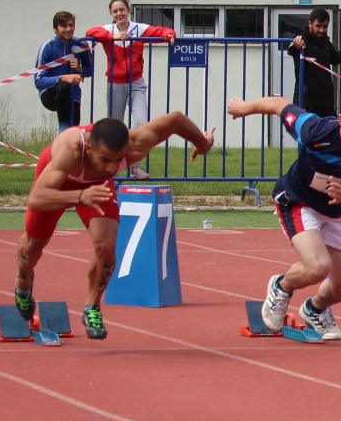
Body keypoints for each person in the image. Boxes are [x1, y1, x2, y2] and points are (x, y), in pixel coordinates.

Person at [13, 113, 214, 340]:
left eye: (118, 160)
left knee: (106, 246)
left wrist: (203, 144)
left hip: (96, 186)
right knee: (34, 245)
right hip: (56, 184)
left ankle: (92, 307)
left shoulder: (136, 144)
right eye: (105, 159)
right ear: (88, 149)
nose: (112, 167)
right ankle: (23, 284)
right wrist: (80, 195)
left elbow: (176, 120)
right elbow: (36, 198)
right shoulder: (71, 150)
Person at [229, 84, 341, 341]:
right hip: (298, 199)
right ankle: (281, 287)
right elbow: (278, 104)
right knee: (317, 266)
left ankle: (314, 310)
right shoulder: (314, 129)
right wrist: (243, 108)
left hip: (338, 209)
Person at [85, 0, 176, 149]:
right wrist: (112, 37)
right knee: (115, 125)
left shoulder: (138, 28)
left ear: (129, 10)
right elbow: (90, 31)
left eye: (122, 9)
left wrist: (169, 35)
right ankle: (116, 166)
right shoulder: (108, 30)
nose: (119, 13)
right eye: (115, 11)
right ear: (111, 13)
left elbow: (163, 31)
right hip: (115, 83)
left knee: (142, 122)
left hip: (136, 82)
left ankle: (136, 164)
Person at [287, 9, 341, 117]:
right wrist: (297, 44)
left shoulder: (325, 42)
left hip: (326, 103)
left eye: (325, 26)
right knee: (310, 133)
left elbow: (336, 59)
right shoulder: (301, 38)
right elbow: (292, 49)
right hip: (307, 103)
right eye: (318, 26)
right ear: (310, 24)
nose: (322, 30)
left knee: (333, 132)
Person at [35, 11, 93, 131]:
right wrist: (63, 77)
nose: (68, 29)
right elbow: (39, 81)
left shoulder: (81, 44)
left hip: (73, 94)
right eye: (64, 26)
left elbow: (90, 71)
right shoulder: (47, 47)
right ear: (56, 28)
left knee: (75, 131)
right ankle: (62, 126)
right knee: (65, 85)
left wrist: (79, 69)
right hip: (50, 93)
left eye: (71, 25)